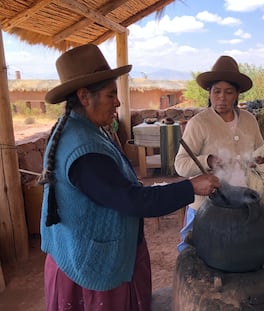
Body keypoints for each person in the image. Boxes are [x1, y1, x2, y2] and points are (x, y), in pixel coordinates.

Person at [39, 44, 220, 311]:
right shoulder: (83, 151)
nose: (118, 102)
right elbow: (132, 200)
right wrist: (191, 186)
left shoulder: (85, 128)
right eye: (111, 94)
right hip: (92, 267)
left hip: (86, 252)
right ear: (84, 96)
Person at [174, 55, 264, 253]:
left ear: (237, 94)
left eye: (228, 92)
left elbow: (260, 150)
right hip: (206, 207)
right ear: (209, 92)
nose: (222, 97)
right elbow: (180, 164)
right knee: (190, 249)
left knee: (239, 252)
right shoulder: (199, 123)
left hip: (245, 203)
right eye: (217, 91)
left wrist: (258, 160)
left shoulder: (249, 120)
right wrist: (208, 160)